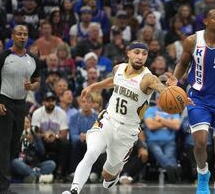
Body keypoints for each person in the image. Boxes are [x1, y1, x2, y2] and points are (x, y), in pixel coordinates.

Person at [62, 41, 182, 194]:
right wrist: (93, 86)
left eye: (144, 54)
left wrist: (174, 91)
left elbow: (163, 90)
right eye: (137, 52)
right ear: (128, 53)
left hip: (127, 132)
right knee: (91, 152)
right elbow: (114, 81)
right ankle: (73, 191)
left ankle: (113, 176)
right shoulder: (118, 68)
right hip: (107, 121)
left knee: (108, 174)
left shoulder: (148, 79)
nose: (140, 57)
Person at [167, 7, 215, 194]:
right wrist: (175, 80)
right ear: (205, 21)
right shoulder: (192, 41)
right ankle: (203, 174)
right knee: (200, 142)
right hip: (198, 98)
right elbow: (183, 64)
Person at [0, 25, 40, 193]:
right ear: (12, 36)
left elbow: (38, 81)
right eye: (19, 34)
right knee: (3, 144)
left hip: (21, 104)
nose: (22, 37)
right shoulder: (2, 57)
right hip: (4, 103)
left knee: (14, 145)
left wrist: (32, 85)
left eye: (25, 34)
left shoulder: (32, 59)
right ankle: (1, 187)